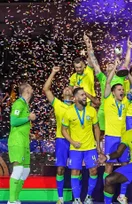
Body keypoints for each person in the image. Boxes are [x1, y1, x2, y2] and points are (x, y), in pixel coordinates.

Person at [103, 61, 132, 204]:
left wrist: (127, 73)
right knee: (109, 166)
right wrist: (115, 69)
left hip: (123, 138)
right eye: (119, 90)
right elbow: (107, 83)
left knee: (125, 165)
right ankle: (107, 198)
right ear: (113, 92)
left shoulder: (125, 102)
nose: (122, 91)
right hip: (111, 137)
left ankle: (122, 195)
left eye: (122, 89)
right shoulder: (107, 100)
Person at [61, 87, 101, 204]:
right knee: (75, 172)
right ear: (76, 98)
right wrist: (72, 142)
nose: (85, 97)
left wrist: (98, 144)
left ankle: (88, 197)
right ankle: (77, 199)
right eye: (82, 95)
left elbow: (96, 127)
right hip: (75, 148)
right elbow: (64, 130)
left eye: (85, 95)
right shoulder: (68, 112)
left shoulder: (91, 111)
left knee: (93, 171)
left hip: (90, 147)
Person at [43, 66, 73, 204]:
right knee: (60, 169)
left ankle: (77, 197)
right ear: (62, 94)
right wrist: (53, 72)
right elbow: (46, 90)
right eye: (65, 88)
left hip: (75, 141)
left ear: (73, 94)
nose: (67, 88)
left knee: (76, 170)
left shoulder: (78, 105)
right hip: (61, 140)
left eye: (70, 88)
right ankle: (60, 198)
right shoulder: (58, 104)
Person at [7, 83, 35, 204]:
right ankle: (11, 200)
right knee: (18, 169)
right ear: (26, 90)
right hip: (17, 141)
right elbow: (13, 121)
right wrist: (28, 118)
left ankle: (16, 198)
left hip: (24, 141)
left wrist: (28, 133)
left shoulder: (25, 105)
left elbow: (20, 124)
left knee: (25, 170)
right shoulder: (18, 103)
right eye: (31, 88)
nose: (33, 90)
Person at [69, 34, 96, 104]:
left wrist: (88, 46)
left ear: (84, 65)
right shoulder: (73, 77)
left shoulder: (88, 70)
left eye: (80, 67)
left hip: (90, 101)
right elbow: (70, 89)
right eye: (76, 67)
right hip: (78, 102)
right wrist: (72, 90)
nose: (78, 69)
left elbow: (91, 58)